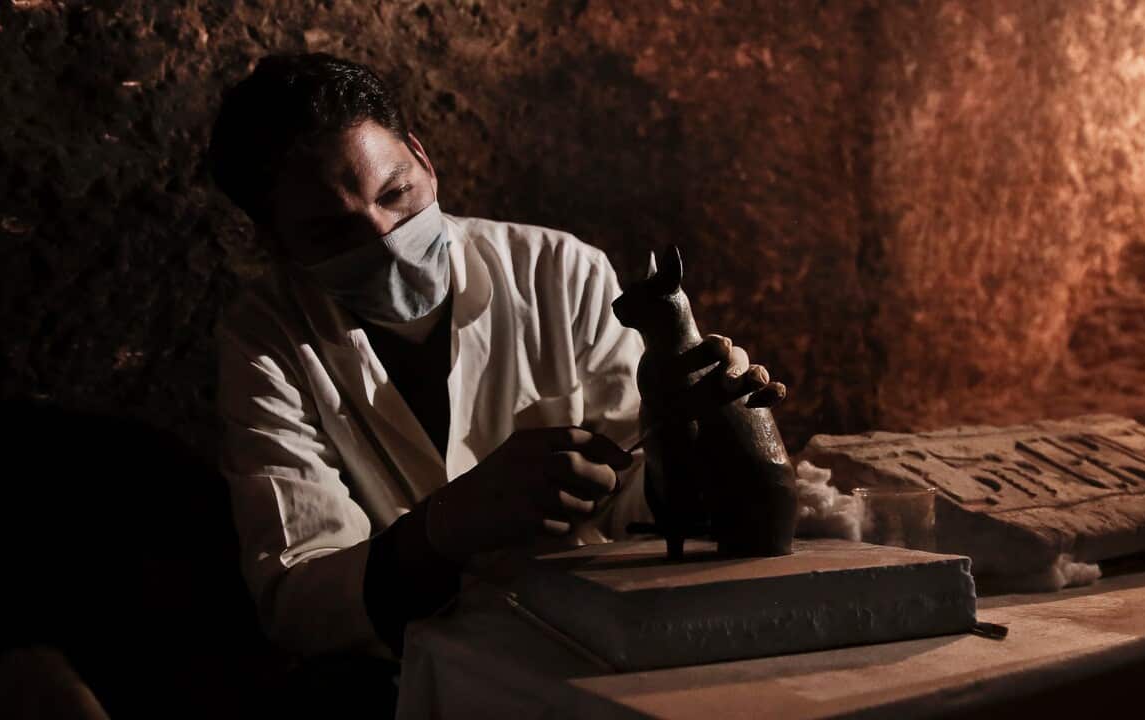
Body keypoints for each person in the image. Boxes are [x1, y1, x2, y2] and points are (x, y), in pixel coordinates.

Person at [206, 53, 783, 707]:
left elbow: (642, 508)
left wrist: (687, 431)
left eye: (396, 194)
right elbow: (299, 601)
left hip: (589, 640)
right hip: (410, 675)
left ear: (422, 157)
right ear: (274, 242)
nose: (386, 237)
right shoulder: (267, 341)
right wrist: (447, 526)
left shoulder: (558, 273)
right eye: (331, 230)